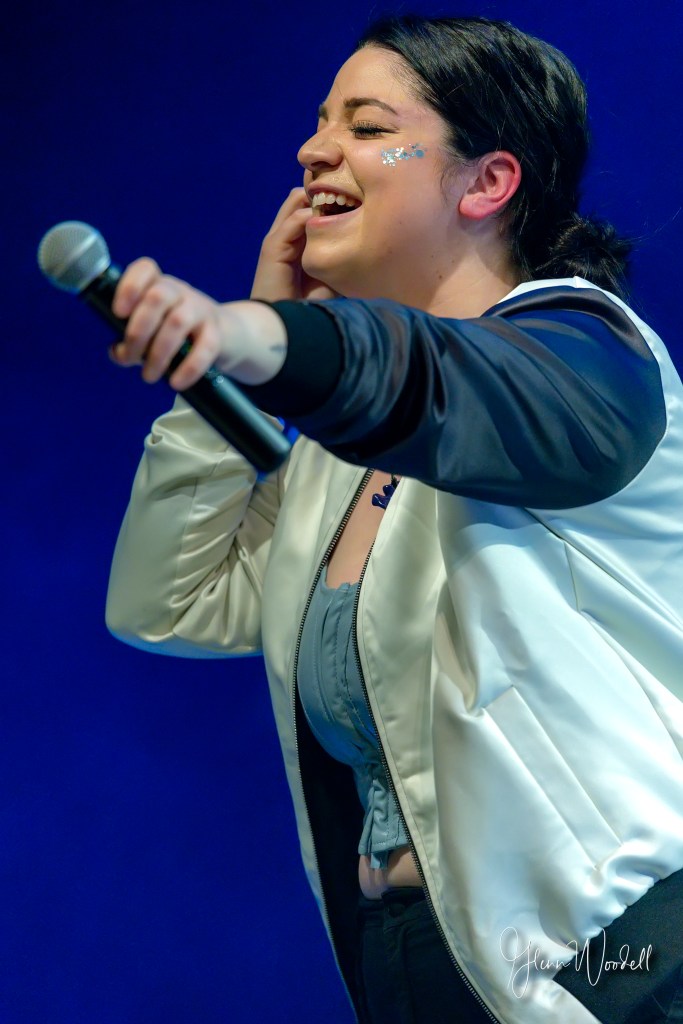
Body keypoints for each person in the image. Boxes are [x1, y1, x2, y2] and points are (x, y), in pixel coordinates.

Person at [105, 14, 683, 1024]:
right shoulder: (340, 461)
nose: (313, 149)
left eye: (368, 127)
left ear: (486, 182)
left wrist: (262, 336)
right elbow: (166, 601)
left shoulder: (590, 364)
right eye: (319, 121)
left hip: (621, 962)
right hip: (420, 966)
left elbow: (432, 373)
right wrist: (216, 378)